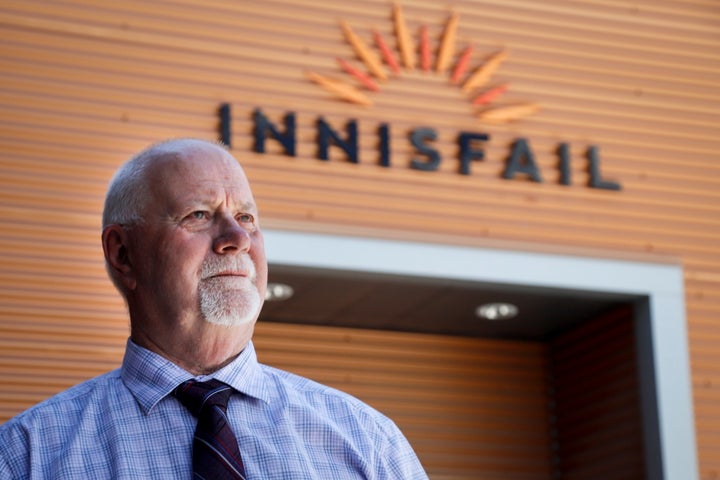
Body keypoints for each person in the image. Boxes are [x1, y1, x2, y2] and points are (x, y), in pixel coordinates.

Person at [0, 138, 428, 479]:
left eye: (246, 217)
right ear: (123, 253)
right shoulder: (27, 457)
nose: (236, 239)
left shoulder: (368, 442)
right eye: (200, 214)